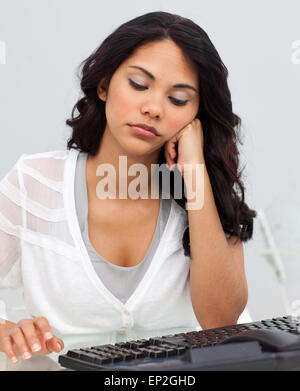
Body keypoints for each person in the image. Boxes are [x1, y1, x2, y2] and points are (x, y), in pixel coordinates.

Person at [0, 11, 256, 364]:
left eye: (178, 99)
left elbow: (220, 322)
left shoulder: (207, 197)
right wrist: (5, 330)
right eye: (139, 84)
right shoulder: (35, 182)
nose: (152, 108)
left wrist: (195, 176)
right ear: (104, 85)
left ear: (197, 115)